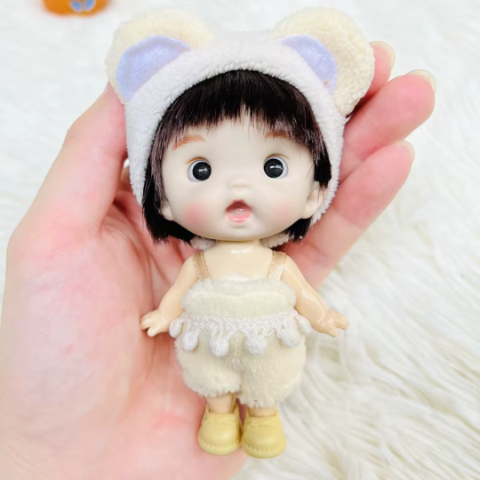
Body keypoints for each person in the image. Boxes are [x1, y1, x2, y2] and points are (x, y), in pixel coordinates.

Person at [0, 41, 435, 479]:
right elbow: (179, 294)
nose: (238, 186)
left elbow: (301, 292)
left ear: (314, 194)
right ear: (163, 200)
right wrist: (164, 315)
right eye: (201, 170)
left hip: (268, 334)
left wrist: (320, 315)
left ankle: (264, 417)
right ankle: (218, 415)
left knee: (268, 378)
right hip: (209, 335)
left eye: (273, 167)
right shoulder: (200, 265)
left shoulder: (277, 265)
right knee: (212, 378)